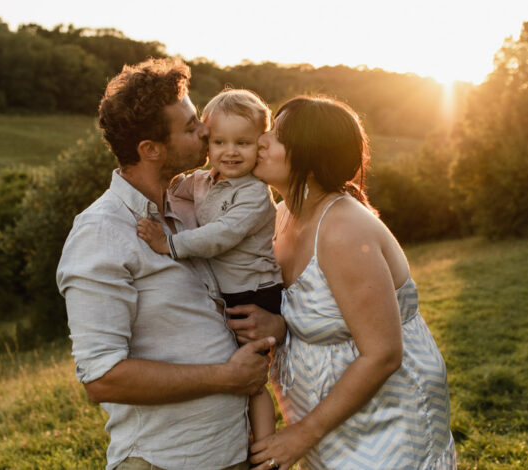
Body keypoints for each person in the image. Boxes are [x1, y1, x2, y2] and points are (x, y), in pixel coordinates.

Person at [56, 58, 275, 470]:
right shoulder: (101, 234)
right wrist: (225, 378)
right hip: (165, 461)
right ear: (151, 150)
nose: (206, 131)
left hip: (232, 453)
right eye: (192, 127)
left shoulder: (192, 206)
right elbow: (102, 378)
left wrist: (273, 324)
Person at [228, 95, 456, 470]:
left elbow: (383, 353)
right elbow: (321, 313)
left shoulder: (342, 230)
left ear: (312, 159)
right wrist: (279, 328)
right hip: (327, 420)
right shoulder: (282, 215)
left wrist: (302, 434)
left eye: (278, 136)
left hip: (385, 422)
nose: (262, 140)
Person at [137, 88, 282, 442]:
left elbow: (220, 235)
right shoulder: (203, 181)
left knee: (252, 375)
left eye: (243, 143)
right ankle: (241, 437)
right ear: (208, 145)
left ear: (260, 144)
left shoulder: (253, 194)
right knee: (232, 368)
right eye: (220, 142)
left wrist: (168, 244)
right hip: (229, 292)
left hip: (256, 292)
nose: (230, 152)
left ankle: (265, 451)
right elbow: (175, 188)